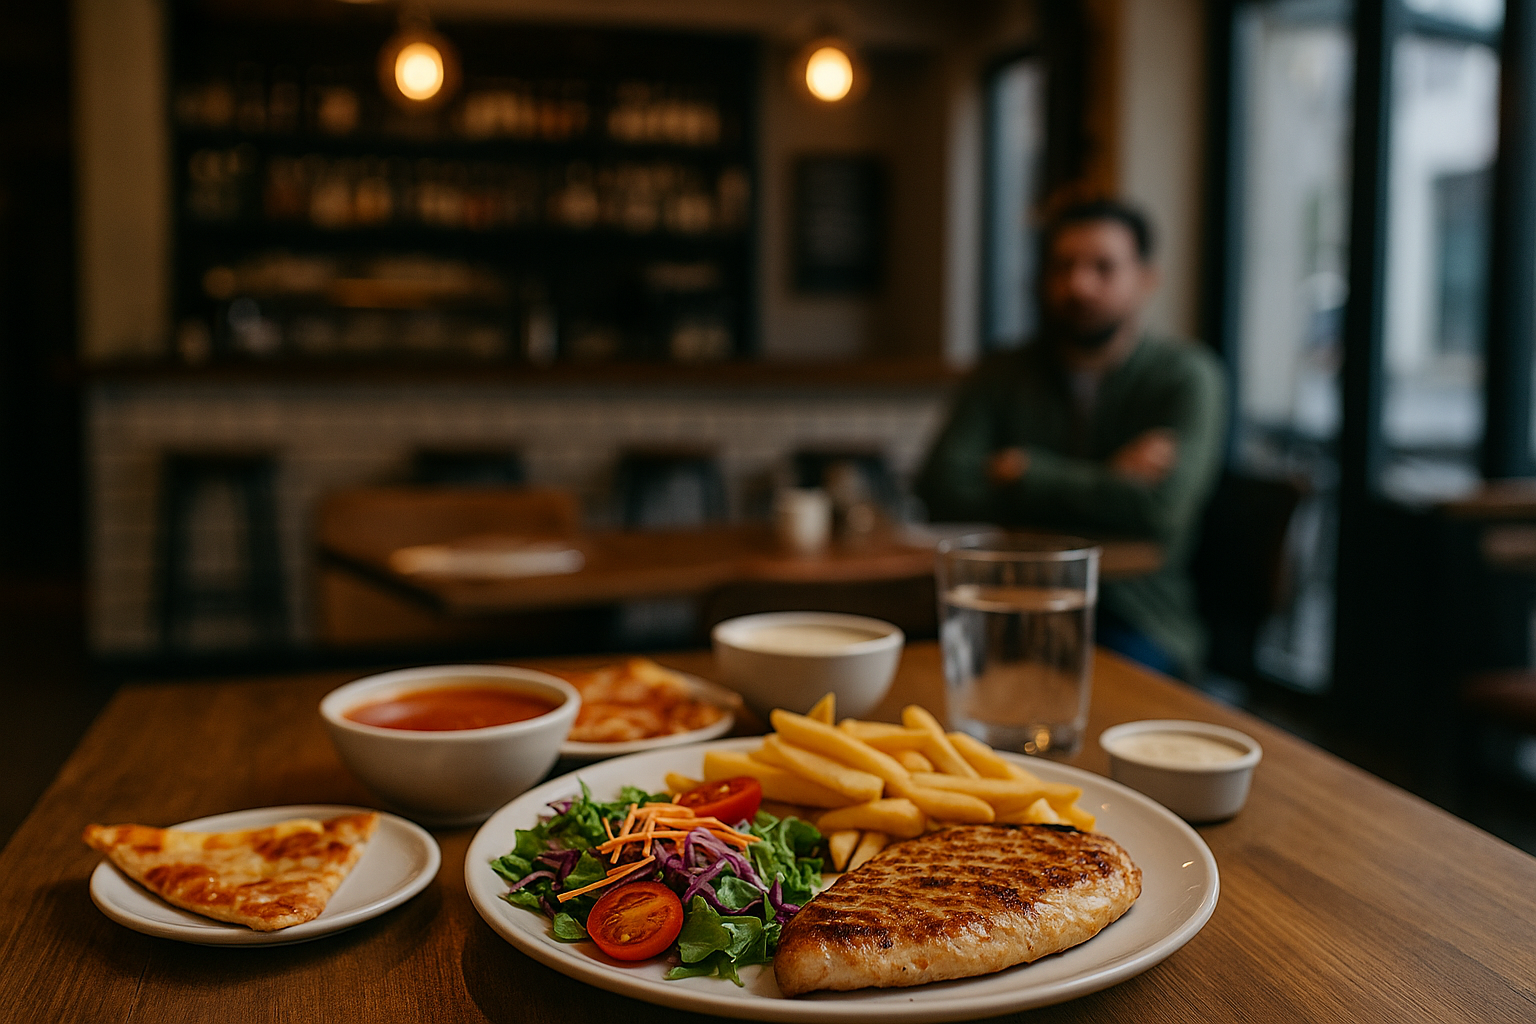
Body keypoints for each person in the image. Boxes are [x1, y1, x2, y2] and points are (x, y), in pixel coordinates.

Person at [915, 199, 1226, 679]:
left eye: (1103, 267)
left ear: (1146, 278)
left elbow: (1160, 511)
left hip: (1137, 615)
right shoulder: (1002, 373)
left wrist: (1027, 473)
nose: (1079, 285)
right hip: (1006, 603)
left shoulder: (1185, 377)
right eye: (1063, 267)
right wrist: (1110, 482)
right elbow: (940, 488)